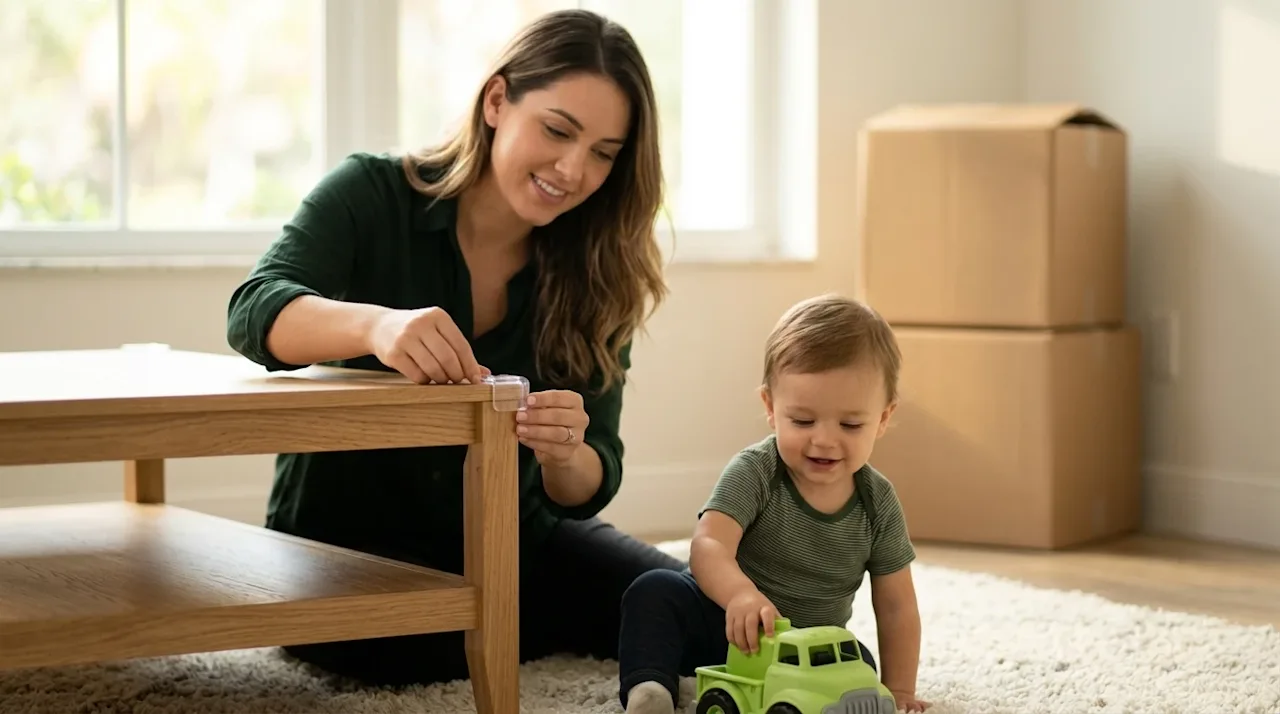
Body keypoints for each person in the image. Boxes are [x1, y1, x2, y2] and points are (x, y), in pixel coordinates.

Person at [225, 9, 684, 686]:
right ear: (497, 101)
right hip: (348, 548)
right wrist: (376, 327)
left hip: (511, 543)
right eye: (558, 131)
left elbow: (590, 482)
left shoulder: (596, 264)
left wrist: (564, 452)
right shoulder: (372, 194)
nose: (573, 169)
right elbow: (253, 311)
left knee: (699, 605)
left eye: (604, 153)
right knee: (412, 651)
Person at [616, 294, 931, 714]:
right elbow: (709, 544)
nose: (823, 439)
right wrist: (741, 596)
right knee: (654, 591)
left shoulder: (878, 503)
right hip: (724, 624)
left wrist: (900, 690)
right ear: (770, 407)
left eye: (850, 425)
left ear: (883, 419)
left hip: (809, 650)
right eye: (802, 421)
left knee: (862, 662)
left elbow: (896, 605)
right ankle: (650, 687)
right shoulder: (757, 472)